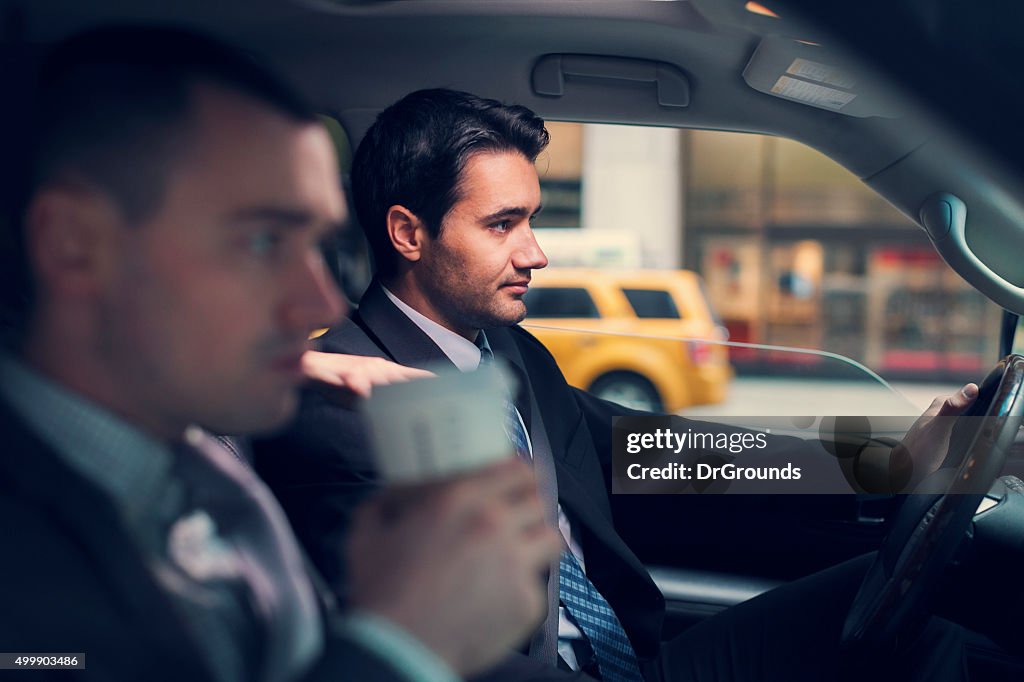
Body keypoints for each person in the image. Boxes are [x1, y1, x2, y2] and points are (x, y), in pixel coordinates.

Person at [253, 88, 980, 682]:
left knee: (923, 613)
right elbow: (420, 645)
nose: (535, 253)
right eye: (502, 225)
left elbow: (667, 454)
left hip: (637, 662)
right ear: (409, 234)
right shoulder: (341, 405)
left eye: (531, 220)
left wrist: (885, 464)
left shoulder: (513, 354)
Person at [0, 30, 562, 682]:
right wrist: (402, 645)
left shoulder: (204, 471)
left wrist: (704, 460)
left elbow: (612, 448)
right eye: (263, 241)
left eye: (319, 247)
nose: (324, 305)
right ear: (74, 244)